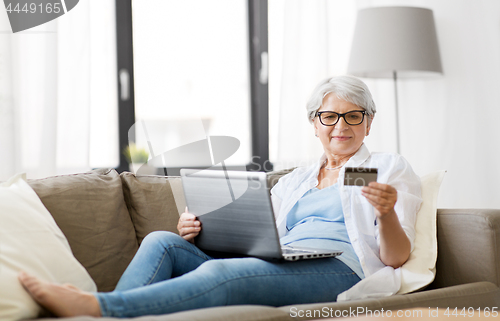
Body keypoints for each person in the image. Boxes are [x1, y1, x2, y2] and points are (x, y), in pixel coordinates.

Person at [18, 75, 422, 317]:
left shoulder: (388, 168)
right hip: (283, 261)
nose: (341, 126)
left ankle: (98, 308)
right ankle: (107, 310)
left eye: (354, 116)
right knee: (164, 242)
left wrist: (385, 215)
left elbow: (395, 257)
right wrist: (197, 230)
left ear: (368, 123)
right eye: (329, 116)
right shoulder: (297, 179)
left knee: (219, 275)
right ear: (315, 124)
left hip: (340, 267)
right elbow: (260, 238)